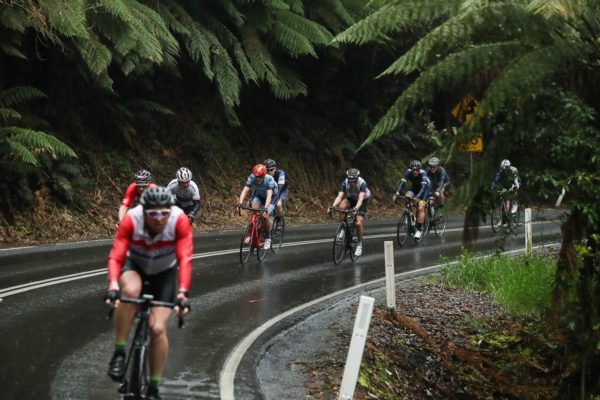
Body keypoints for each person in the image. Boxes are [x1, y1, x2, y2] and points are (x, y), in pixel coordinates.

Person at [105, 186, 192, 400]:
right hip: (136, 266)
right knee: (130, 290)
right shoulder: (132, 220)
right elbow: (116, 256)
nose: (159, 218)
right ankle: (119, 352)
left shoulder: (179, 220)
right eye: (153, 213)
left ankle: (153, 386)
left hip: (165, 273)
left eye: (164, 212)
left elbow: (185, 259)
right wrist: (114, 286)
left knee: (156, 328)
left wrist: (182, 294)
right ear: (143, 211)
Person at [327, 168, 370, 257]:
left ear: (357, 179)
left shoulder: (362, 183)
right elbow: (339, 197)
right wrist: (333, 206)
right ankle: (343, 227)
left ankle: (359, 244)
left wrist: (356, 208)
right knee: (342, 206)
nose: (352, 183)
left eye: (354, 181)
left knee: (358, 222)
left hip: (362, 201)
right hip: (352, 198)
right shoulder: (344, 183)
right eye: (351, 181)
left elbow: (361, 199)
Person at [237, 163, 277, 249]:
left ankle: (268, 238)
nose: (258, 178)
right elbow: (245, 191)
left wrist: (266, 208)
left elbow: (269, 195)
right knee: (253, 211)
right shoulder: (252, 177)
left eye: (260, 176)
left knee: (265, 215)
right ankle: (249, 234)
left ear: (264, 174)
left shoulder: (269, 180)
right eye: (256, 176)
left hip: (272, 198)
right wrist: (240, 203)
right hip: (259, 196)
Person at [393, 160, 430, 239]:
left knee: (420, 207)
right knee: (407, 197)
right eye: (414, 169)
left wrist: (418, 197)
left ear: (420, 169)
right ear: (411, 169)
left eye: (417, 170)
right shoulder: (408, 172)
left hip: (424, 191)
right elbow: (402, 182)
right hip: (414, 188)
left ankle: (419, 230)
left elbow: (423, 187)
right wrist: (397, 193)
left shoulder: (423, 173)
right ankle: (409, 214)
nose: (415, 171)